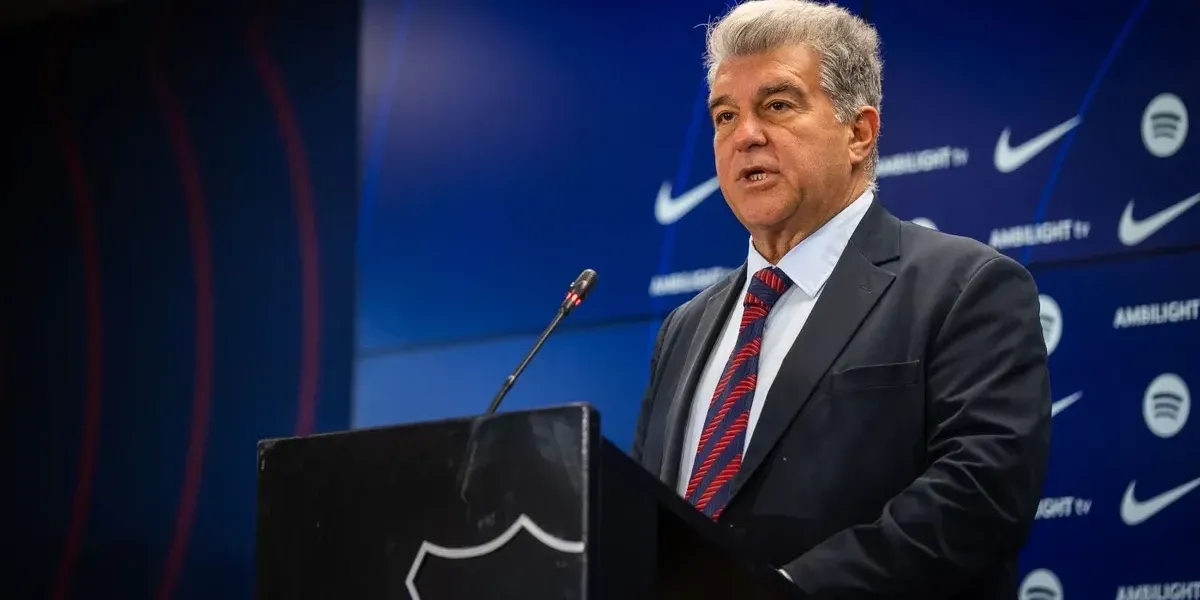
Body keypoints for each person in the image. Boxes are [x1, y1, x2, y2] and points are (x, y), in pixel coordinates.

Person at [630, 1, 1052, 598]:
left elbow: (980, 497)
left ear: (859, 133)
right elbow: (646, 515)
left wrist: (784, 591)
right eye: (725, 116)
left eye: (777, 105)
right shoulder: (685, 328)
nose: (745, 136)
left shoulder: (965, 287)